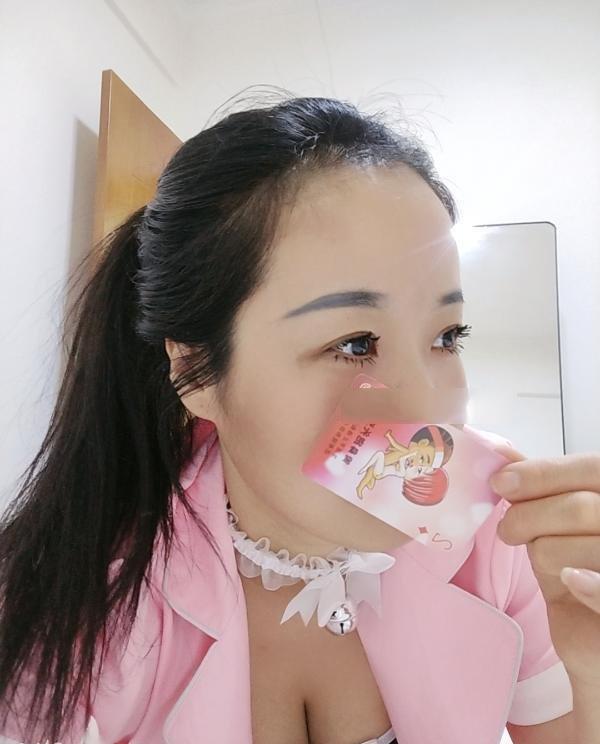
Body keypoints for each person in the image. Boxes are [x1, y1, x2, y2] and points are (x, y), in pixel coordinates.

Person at [0, 91, 575, 744]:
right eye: (353, 343)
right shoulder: (69, 601)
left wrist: (588, 663)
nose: (430, 411)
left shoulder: (498, 537)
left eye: (447, 335)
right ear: (196, 371)